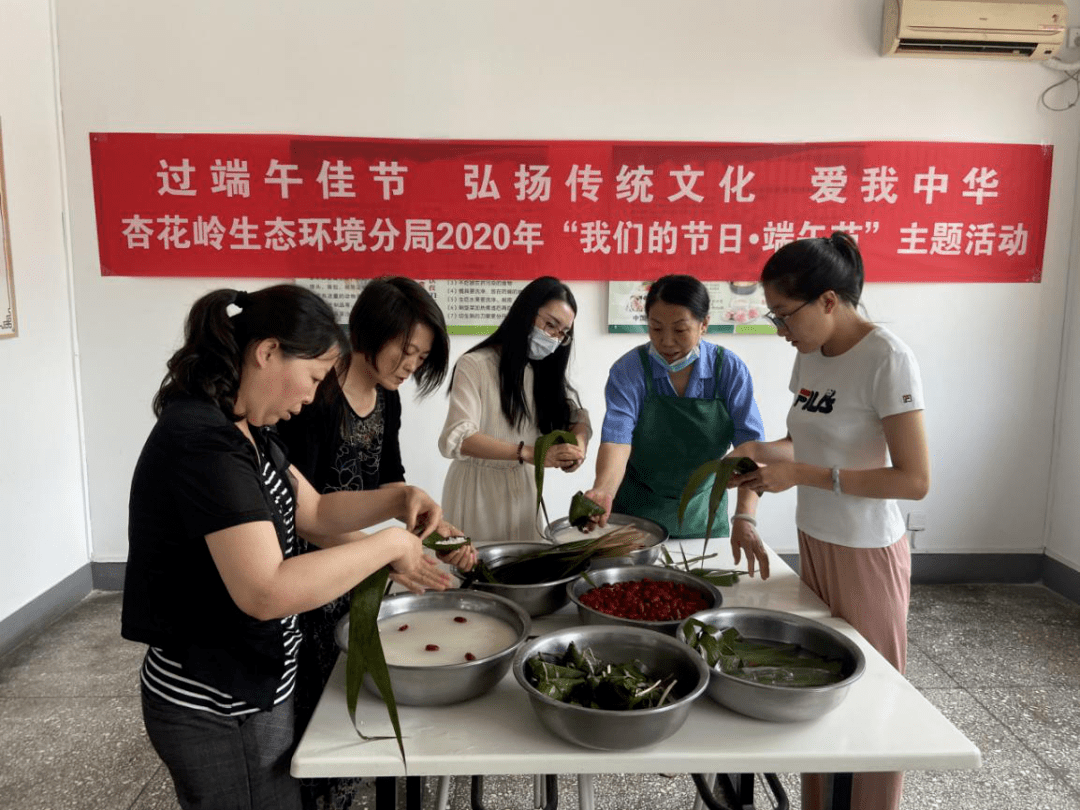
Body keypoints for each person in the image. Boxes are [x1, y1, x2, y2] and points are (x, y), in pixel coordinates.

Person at [122, 285, 452, 810]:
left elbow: (316, 512)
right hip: (215, 700)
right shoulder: (204, 442)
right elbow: (265, 590)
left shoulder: (246, 429)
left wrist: (397, 499)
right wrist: (389, 546)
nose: (309, 396)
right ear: (268, 351)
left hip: (253, 684)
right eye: (315, 377)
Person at [731, 233, 930, 810]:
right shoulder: (808, 351)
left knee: (872, 698)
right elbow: (806, 441)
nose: (780, 329)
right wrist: (764, 453)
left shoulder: (887, 357)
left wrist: (807, 477)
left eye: (783, 314)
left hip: (865, 551)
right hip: (813, 541)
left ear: (827, 300)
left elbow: (913, 480)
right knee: (816, 686)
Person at [277, 277, 476, 810]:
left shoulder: (386, 398)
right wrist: (381, 556)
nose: (411, 364)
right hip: (313, 564)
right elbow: (307, 513)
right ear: (369, 331)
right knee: (318, 692)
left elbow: (391, 479)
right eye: (405, 350)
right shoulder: (314, 392)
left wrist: (438, 526)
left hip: (362, 557)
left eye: (422, 355)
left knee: (358, 683)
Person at [583, 274, 769, 577]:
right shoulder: (629, 370)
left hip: (702, 513)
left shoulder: (729, 370)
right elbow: (617, 437)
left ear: (704, 324)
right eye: (656, 328)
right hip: (636, 512)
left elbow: (751, 448)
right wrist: (602, 491)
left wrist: (745, 517)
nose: (666, 341)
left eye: (680, 330)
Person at [439, 276, 590, 545]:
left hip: (524, 491)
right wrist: (528, 453)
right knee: (475, 571)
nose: (554, 337)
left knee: (524, 573)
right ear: (526, 312)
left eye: (562, 333)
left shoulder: (543, 372)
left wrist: (578, 448)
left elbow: (577, 418)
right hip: (478, 489)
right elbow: (458, 437)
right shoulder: (475, 365)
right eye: (550, 324)